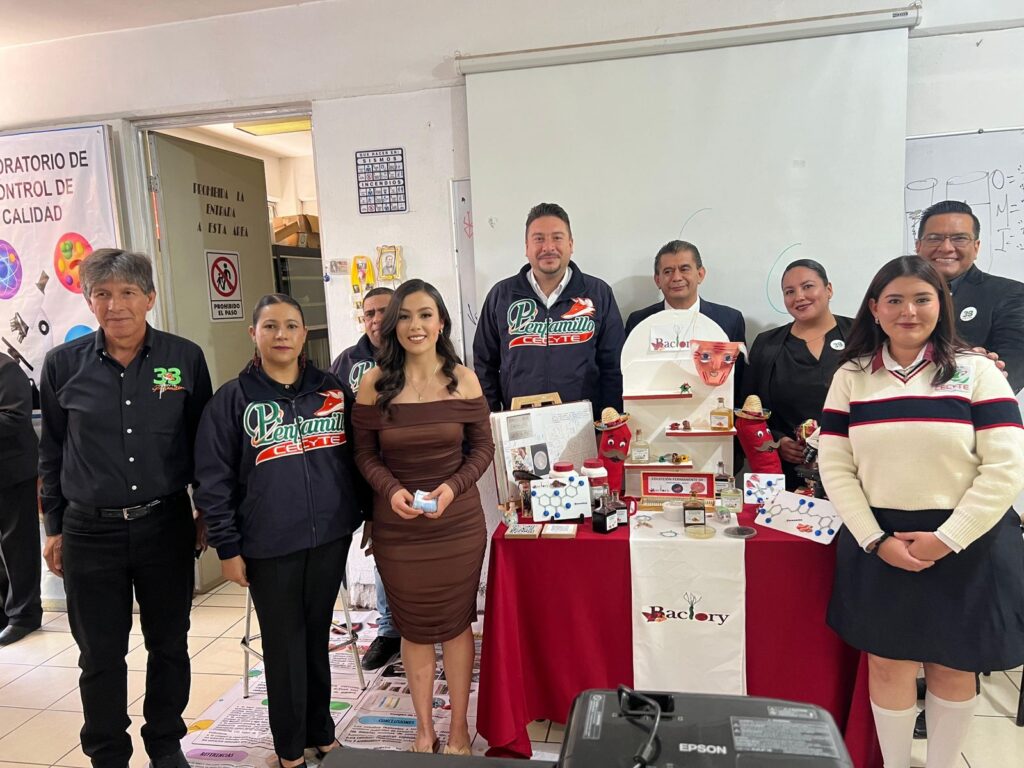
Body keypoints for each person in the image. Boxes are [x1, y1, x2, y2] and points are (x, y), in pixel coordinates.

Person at [818, 256, 1024, 768]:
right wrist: (874, 539)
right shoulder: (852, 377)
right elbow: (836, 465)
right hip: (878, 540)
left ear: (942, 304)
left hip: (966, 540)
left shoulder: (977, 371)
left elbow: (1005, 467)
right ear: (874, 308)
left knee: (953, 664)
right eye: (894, 300)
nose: (908, 311)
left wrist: (947, 539)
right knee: (888, 663)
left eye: (922, 299)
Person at [38, 248, 212, 768]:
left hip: (165, 524)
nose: (115, 305)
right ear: (89, 301)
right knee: (99, 654)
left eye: (127, 293)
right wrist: (53, 527)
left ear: (149, 298)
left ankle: (165, 743)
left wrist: (206, 510)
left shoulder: (184, 358)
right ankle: (108, 753)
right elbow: (51, 451)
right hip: (89, 532)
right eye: (103, 294)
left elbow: (203, 442)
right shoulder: (62, 364)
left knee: (170, 644)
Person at [195, 294, 366, 768]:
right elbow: (213, 481)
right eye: (270, 326)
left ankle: (321, 732)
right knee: (284, 646)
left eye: (291, 325)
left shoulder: (332, 390)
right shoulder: (232, 400)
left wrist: (363, 512)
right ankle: (290, 749)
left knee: (315, 639)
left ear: (304, 334)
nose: (281, 335)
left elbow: (358, 455)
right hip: (268, 545)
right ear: (254, 334)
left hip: (329, 537)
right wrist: (227, 547)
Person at [353, 279, 493, 755]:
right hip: (398, 528)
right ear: (393, 324)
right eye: (406, 316)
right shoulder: (374, 383)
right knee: (412, 626)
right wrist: (391, 490)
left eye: (426, 314)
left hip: (457, 525)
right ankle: (424, 729)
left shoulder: (464, 379)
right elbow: (364, 454)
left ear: (441, 322)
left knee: (456, 624)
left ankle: (458, 730)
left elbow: (482, 448)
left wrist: (452, 488)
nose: (416, 325)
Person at [473, 202, 625, 419]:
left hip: (584, 425)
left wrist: (608, 422)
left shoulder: (598, 294)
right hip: (520, 426)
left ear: (571, 244)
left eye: (557, 237)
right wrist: (493, 419)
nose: (548, 247)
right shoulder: (501, 296)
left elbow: (614, 366)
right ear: (526, 247)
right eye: (539, 239)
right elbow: (484, 365)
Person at [329, 287, 401, 671]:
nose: (375, 320)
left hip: (416, 469)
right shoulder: (346, 363)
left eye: (383, 311)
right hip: (367, 474)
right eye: (369, 313)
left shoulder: (421, 354)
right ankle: (390, 630)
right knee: (382, 551)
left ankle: (431, 623)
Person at [741, 259, 852, 490]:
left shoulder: (859, 335)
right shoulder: (768, 344)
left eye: (808, 286)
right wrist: (777, 440)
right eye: (789, 292)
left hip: (853, 467)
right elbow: (748, 410)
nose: (799, 297)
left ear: (829, 289)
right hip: (789, 474)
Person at [915, 199, 1024, 393]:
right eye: (934, 238)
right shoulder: (896, 296)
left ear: (976, 247)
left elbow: (1013, 368)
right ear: (918, 246)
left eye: (959, 238)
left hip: (967, 408)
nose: (946, 247)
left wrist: (980, 367)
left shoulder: (1009, 293)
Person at [624, 240, 746, 344]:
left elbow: (737, 365)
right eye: (668, 271)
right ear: (657, 280)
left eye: (684, 269)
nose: (676, 278)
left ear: (700, 274)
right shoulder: (638, 322)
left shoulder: (730, 320)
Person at [0, 350, 42, 646]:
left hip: (12, 472)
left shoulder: (5, 367)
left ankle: (24, 616)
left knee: (18, 547)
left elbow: (14, 417)